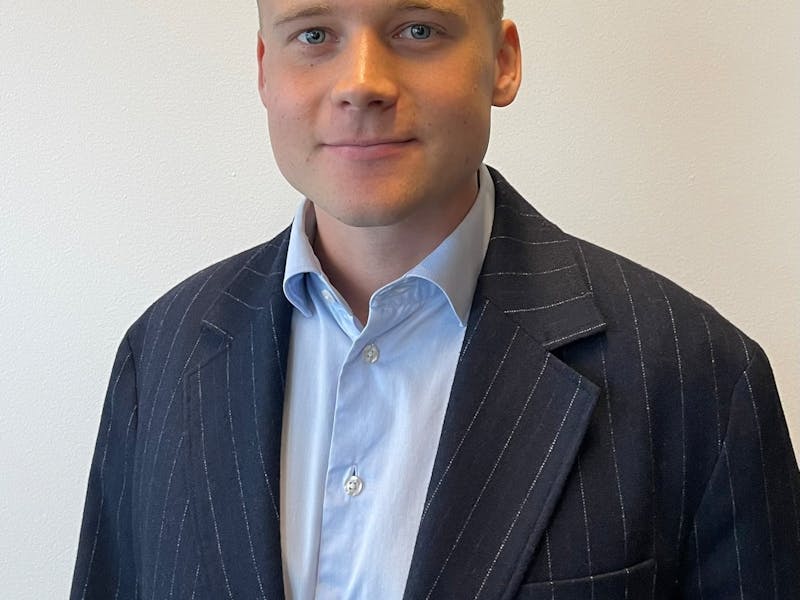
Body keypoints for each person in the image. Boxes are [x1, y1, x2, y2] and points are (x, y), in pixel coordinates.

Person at [71, 0, 800, 598]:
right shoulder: (160, 355)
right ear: (265, 68)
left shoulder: (697, 374)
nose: (361, 83)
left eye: (417, 29)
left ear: (503, 62)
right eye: (315, 34)